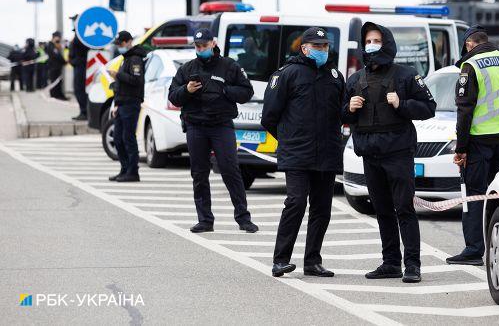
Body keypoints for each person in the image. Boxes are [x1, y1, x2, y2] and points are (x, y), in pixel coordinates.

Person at [342, 22, 436, 283]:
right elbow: (339, 115)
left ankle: (413, 265)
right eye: (368, 41)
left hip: (398, 153)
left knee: (403, 209)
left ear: (387, 43)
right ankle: (391, 263)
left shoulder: (406, 75)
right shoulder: (354, 79)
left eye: (376, 40)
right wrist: (349, 108)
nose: (371, 45)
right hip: (370, 155)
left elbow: (429, 107)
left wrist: (402, 104)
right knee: (382, 210)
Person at [262, 27, 345, 278]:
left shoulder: (335, 75)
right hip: (297, 153)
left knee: (322, 208)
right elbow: (269, 117)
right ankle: (280, 259)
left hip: (327, 153)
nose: (322, 50)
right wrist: (288, 140)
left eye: (325, 46)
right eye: (316, 46)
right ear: (304, 48)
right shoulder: (287, 74)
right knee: (296, 202)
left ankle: (313, 261)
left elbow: (342, 112)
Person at [446, 25, 499, 265]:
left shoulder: (470, 66)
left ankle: (473, 250)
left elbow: (464, 111)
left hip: (477, 143)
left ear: (469, 44)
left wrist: (460, 149)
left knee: (473, 197)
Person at [168, 28, 258, 234]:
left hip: (221, 126)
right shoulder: (187, 69)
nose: (201, 49)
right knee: (199, 174)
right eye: (197, 46)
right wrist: (187, 90)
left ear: (213, 43)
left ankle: (244, 219)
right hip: (196, 127)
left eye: (204, 45)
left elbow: (247, 91)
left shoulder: (229, 66)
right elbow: (173, 96)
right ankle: (205, 220)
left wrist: (226, 90)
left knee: (230, 170)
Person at [107, 31, 147, 182]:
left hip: (131, 102)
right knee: (118, 139)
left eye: (122, 43)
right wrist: (116, 103)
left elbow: (136, 80)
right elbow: (123, 83)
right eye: (118, 44)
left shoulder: (135, 59)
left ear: (129, 42)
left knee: (128, 138)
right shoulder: (126, 59)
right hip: (122, 103)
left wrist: (117, 75)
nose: (120, 46)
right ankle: (124, 169)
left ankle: (132, 172)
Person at [68, 15, 90, 120]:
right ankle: (84, 111)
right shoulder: (79, 34)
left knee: (80, 90)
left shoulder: (82, 35)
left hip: (81, 66)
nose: (72, 22)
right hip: (78, 65)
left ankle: (84, 112)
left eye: (73, 20)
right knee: (78, 90)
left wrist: (74, 61)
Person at [45, 31, 68, 100]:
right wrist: (64, 61)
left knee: (58, 82)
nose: (60, 39)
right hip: (54, 67)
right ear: (55, 37)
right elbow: (57, 56)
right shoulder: (51, 45)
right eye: (59, 37)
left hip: (56, 67)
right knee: (55, 82)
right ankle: (55, 95)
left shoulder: (54, 45)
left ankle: (58, 95)